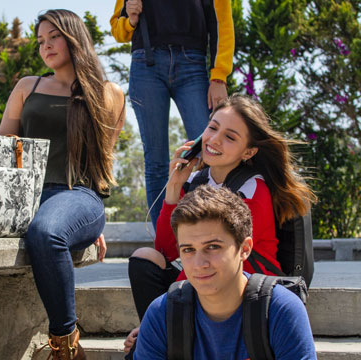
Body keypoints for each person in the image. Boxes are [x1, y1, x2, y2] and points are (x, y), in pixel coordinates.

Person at [0, 9, 125, 360]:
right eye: (40, 41)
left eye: (53, 37)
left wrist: (83, 221)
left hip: (77, 195)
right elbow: (2, 150)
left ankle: (64, 345)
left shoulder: (109, 93)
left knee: (47, 232)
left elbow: (103, 162)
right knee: (45, 227)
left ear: (73, 37)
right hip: (25, 196)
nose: (45, 46)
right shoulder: (27, 86)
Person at [124, 94, 316, 354]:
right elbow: (171, 251)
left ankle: (166, 331)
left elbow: (218, 259)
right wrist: (175, 186)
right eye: (213, 128)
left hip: (248, 288)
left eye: (230, 137)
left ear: (248, 151)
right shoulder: (196, 181)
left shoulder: (253, 190)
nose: (214, 140)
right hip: (209, 279)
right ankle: (161, 333)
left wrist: (170, 312)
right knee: (145, 258)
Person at [110, 0, 235, 228]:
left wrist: (218, 75)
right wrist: (130, 19)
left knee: (208, 150)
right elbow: (117, 29)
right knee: (155, 161)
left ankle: (212, 231)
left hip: (193, 65)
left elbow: (222, 19)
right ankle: (163, 241)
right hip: (146, 65)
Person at [134, 184, 317, 359]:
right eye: (188, 250)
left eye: (213, 247)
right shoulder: (162, 314)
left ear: (245, 249)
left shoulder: (281, 311)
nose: (199, 263)